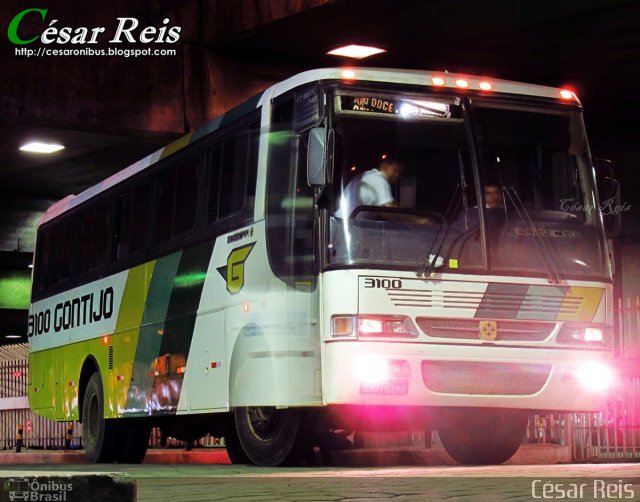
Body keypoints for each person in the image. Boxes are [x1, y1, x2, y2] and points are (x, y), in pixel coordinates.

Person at [336, 157, 403, 218]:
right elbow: (390, 211)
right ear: (384, 166)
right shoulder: (379, 179)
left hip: (341, 221)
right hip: (347, 224)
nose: (397, 175)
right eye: (395, 170)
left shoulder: (368, 176)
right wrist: (411, 220)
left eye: (399, 172)